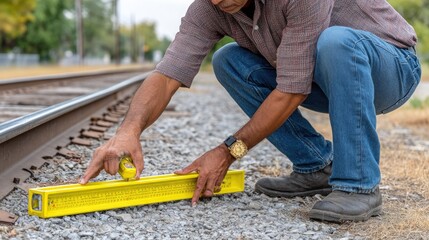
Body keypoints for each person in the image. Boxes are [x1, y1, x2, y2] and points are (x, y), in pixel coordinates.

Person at [79, 0, 421, 223]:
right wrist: (127, 132)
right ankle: (318, 166)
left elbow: (291, 90)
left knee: (336, 42)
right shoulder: (209, 8)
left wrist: (228, 151)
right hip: (324, 79)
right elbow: (167, 75)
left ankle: (359, 184)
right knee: (229, 61)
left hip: (390, 68)